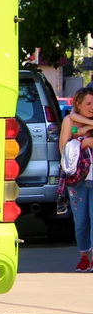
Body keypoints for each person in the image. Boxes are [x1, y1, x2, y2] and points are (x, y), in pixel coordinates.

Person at [59, 88, 93, 270]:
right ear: (78, 104)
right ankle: (84, 256)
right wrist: (86, 130)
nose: (92, 107)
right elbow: (63, 148)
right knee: (80, 220)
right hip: (76, 178)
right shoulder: (69, 122)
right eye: (88, 103)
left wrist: (85, 136)